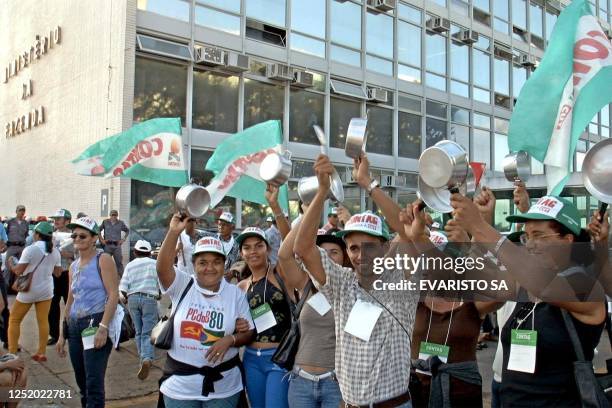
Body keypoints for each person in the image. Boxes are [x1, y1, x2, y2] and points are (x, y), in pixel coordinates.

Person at [450, 193, 607, 407]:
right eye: (527, 237)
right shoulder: (523, 283)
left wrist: (479, 226)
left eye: (539, 236)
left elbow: (543, 285)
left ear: (567, 241)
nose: (530, 244)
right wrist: (477, 233)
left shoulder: (586, 287)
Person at [294, 154, 419, 407]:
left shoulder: (402, 280)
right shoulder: (342, 283)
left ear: (385, 247)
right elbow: (304, 248)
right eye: (353, 248)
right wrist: (322, 192)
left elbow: (406, 232)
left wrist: (367, 183)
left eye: (369, 246)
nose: (361, 255)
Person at [156, 214, 255, 408]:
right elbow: (162, 268)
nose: (210, 268)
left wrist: (231, 339)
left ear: (224, 264)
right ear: (193, 265)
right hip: (180, 386)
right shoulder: (183, 284)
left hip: (224, 387)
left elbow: (249, 332)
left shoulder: (235, 294)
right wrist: (174, 232)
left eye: (216, 262)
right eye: (203, 262)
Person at [278, 221, 345, 408]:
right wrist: (306, 218)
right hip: (301, 382)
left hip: (336, 383)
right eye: (322, 252)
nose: (328, 256)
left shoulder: (352, 288)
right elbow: (284, 255)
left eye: (334, 252)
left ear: (344, 257)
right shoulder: (305, 283)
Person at [56, 216, 119, 408]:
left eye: (82, 236)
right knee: (81, 381)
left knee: (93, 383)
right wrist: (62, 333)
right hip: (75, 326)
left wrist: (103, 327)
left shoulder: (103, 259)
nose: (77, 239)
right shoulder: (73, 266)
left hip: (94, 323)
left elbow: (113, 295)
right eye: (74, 236)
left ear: (94, 238)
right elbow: (70, 300)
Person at [236, 226, 291, 408]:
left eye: (258, 246)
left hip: (279, 357)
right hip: (251, 359)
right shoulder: (242, 286)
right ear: (241, 253)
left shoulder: (280, 274)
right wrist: (239, 325)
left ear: (267, 248)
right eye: (247, 247)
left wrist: (275, 207)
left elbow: (291, 243)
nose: (253, 251)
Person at [8, 222, 61, 361]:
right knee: (43, 321)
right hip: (46, 291)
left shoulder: (30, 250)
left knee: (14, 319)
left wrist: (11, 264)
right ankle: (41, 352)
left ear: (37, 234)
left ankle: (12, 353)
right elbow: (58, 273)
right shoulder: (55, 251)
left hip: (28, 291)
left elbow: (19, 271)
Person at [119, 239, 159, 380]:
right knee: (148, 332)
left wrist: (125, 300)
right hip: (149, 299)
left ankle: (143, 359)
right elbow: (161, 285)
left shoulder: (130, 265)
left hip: (133, 299)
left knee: (139, 331)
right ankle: (147, 358)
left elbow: (122, 288)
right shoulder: (155, 264)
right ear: (149, 253)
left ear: (135, 252)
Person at [48, 209, 75, 346]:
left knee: (70, 304)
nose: (56, 221)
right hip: (53, 274)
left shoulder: (75, 236)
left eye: (59, 218)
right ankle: (54, 334)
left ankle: (70, 333)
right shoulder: (51, 236)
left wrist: (69, 255)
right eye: (55, 218)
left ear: (68, 221)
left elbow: (82, 255)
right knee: (52, 305)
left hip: (68, 273)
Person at [99, 209, 129, 277]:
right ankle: (104, 277)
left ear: (117, 216)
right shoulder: (105, 222)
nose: (113, 217)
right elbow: (98, 230)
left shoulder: (120, 223)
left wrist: (123, 239)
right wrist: (101, 239)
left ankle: (122, 278)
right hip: (107, 245)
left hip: (116, 245)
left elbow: (127, 231)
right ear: (110, 216)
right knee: (105, 262)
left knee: (119, 263)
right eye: (112, 215)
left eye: (115, 215)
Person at [4, 206, 29, 286]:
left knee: (21, 266)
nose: (21, 212)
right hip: (11, 246)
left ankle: (17, 286)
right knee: (8, 267)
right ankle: (5, 286)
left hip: (21, 247)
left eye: (23, 211)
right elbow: (5, 234)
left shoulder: (25, 223)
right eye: (20, 210)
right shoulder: (10, 222)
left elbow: (25, 235)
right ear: (16, 211)